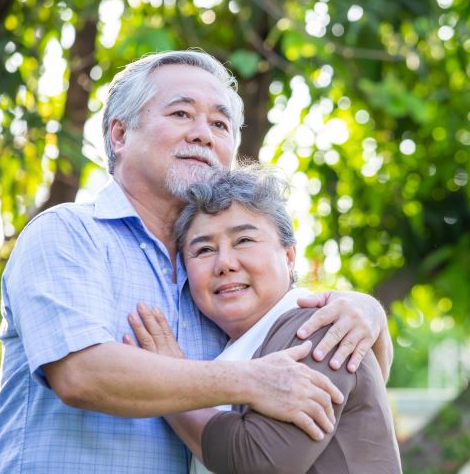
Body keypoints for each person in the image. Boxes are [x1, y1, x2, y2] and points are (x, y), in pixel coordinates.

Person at [0, 49, 392, 473]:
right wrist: (253, 380)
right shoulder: (69, 233)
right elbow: (81, 374)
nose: (204, 134)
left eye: (220, 124)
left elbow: (351, 389)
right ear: (119, 135)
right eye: (181, 114)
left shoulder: (223, 286)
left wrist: (371, 316)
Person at [126, 168, 401, 473]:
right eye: (204, 249)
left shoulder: (321, 327)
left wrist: (169, 383)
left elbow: (259, 462)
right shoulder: (239, 344)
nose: (225, 264)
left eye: (244, 240)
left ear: (289, 256)